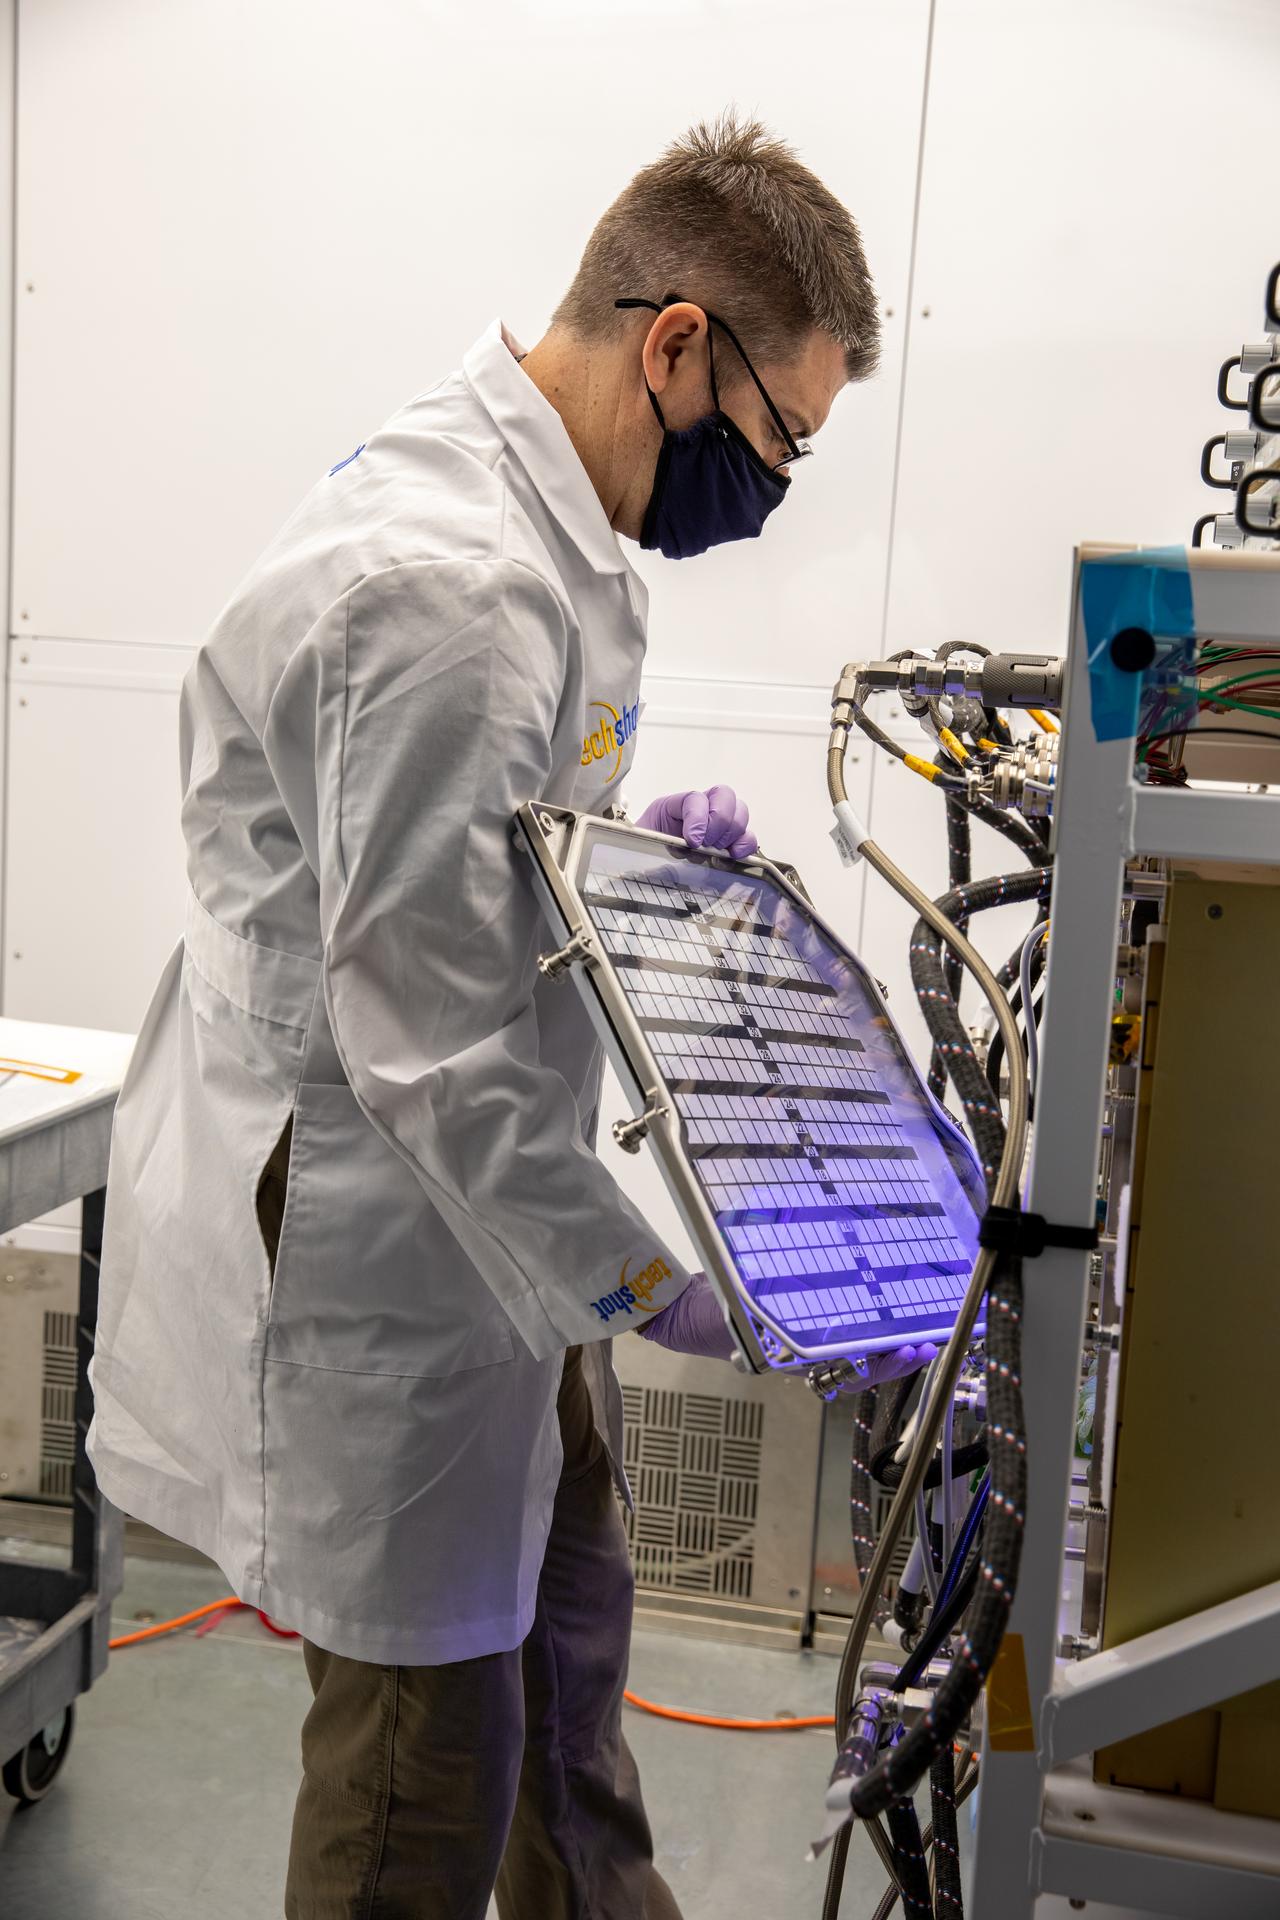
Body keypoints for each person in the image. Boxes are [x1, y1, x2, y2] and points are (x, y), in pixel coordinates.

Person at [88, 112, 910, 1919]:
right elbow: (431, 1047)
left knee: (566, 1663)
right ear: (677, 343)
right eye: (781, 439)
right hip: (391, 1229)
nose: (773, 487)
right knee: (424, 1766)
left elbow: (467, 854)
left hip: (491, 1216)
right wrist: (653, 1284)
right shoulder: (448, 591)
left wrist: (634, 873)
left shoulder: (533, 508)